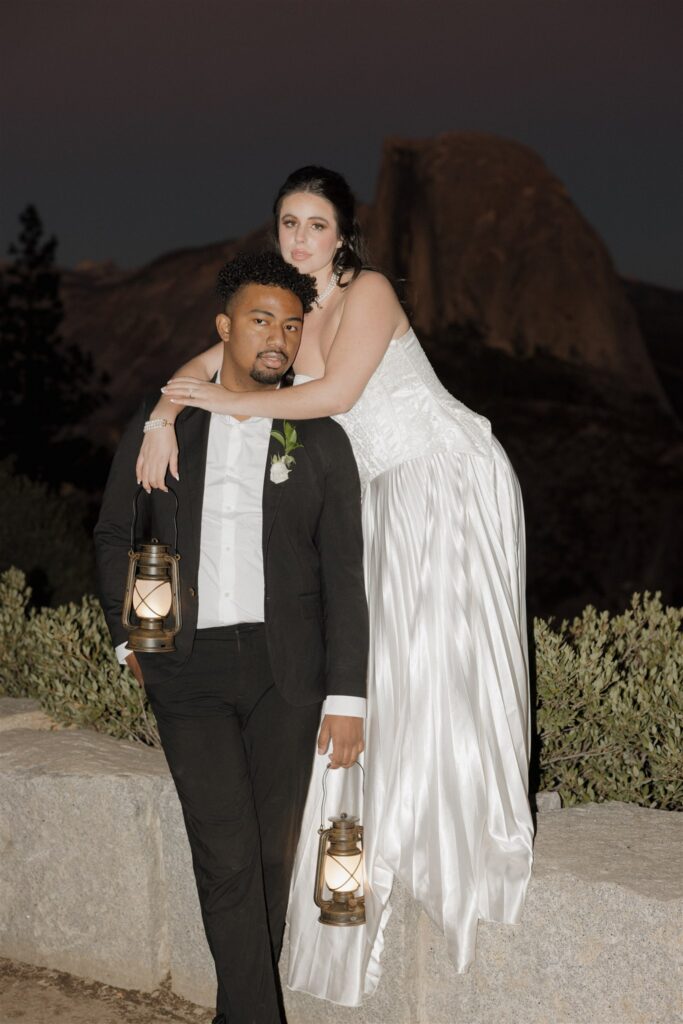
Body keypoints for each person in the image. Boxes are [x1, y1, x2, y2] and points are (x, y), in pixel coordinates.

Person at [136, 166, 534, 1007]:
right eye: (289, 223)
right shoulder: (286, 308)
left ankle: (458, 831)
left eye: (316, 224)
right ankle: (394, 834)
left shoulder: (368, 293)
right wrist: (163, 418)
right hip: (382, 496)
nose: (301, 238)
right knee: (385, 669)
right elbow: (206, 363)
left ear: (342, 233)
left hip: (443, 482)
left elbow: (336, 394)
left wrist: (225, 407)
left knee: (439, 662)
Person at [94, 251, 369, 1024]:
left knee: (272, 858)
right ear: (223, 328)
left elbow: (344, 573)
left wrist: (347, 696)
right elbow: (115, 533)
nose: (277, 337)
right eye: (260, 320)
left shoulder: (319, 438)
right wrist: (131, 641)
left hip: (289, 675)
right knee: (226, 853)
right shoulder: (168, 425)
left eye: (291, 325)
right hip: (187, 669)